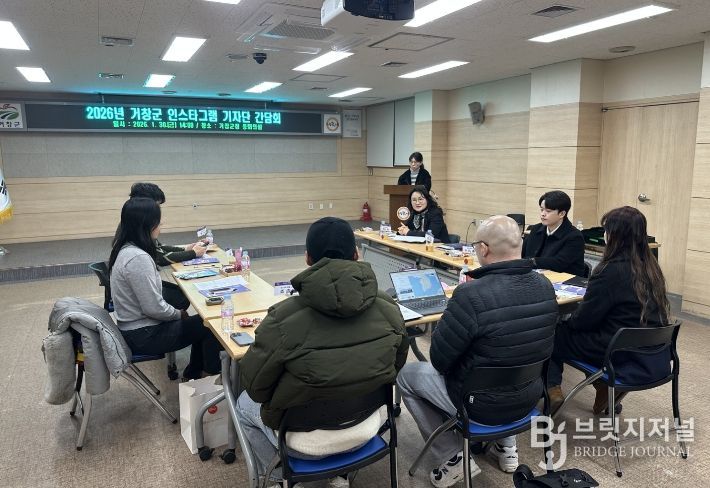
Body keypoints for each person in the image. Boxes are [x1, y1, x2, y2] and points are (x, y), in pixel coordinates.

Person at [236, 217, 409, 488]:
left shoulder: (283, 318)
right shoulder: (389, 308)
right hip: (367, 429)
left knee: (243, 403)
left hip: (304, 443)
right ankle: (341, 473)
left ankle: (278, 478)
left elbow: (256, 389)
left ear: (308, 258)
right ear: (356, 254)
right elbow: (395, 368)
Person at [397, 215, 558, 487]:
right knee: (510, 358)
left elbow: (439, 360)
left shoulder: (470, 294)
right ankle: (506, 448)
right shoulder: (544, 286)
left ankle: (452, 456)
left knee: (407, 376)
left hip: (478, 404)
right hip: (529, 397)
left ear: (483, 249)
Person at [547, 206, 672, 414]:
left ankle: (552, 390)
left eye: (606, 230)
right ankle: (602, 386)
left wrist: (567, 320)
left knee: (552, 333)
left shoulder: (610, 270)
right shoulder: (651, 267)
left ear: (614, 235)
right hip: (650, 349)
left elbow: (584, 321)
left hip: (617, 350)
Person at [109, 197, 222, 380]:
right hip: (144, 335)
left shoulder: (127, 247)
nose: (161, 225)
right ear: (147, 224)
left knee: (202, 322)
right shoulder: (137, 258)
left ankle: (194, 375)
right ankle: (209, 377)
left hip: (137, 328)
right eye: (158, 221)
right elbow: (153, 308)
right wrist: (178, 314)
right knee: (211, 325)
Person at [126, 182, 208, 310]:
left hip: (144, 299)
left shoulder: (134, 222)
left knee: (184, 294)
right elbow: (159, 257)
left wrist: (186, 249)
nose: (159, 211)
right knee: (184, 297)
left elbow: (159, 248)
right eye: (157, 205)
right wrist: (192, 253)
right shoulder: (136, 247)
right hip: (145, 311)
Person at [522, 190, 586, 276]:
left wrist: (531, 261)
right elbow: (522, 254)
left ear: (562, 214)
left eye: (548, 211)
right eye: (542, 210)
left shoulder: (575, 237)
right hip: (535, 277)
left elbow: (558, 263)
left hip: (564, 281)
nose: (543, 214)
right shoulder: (536, 229)